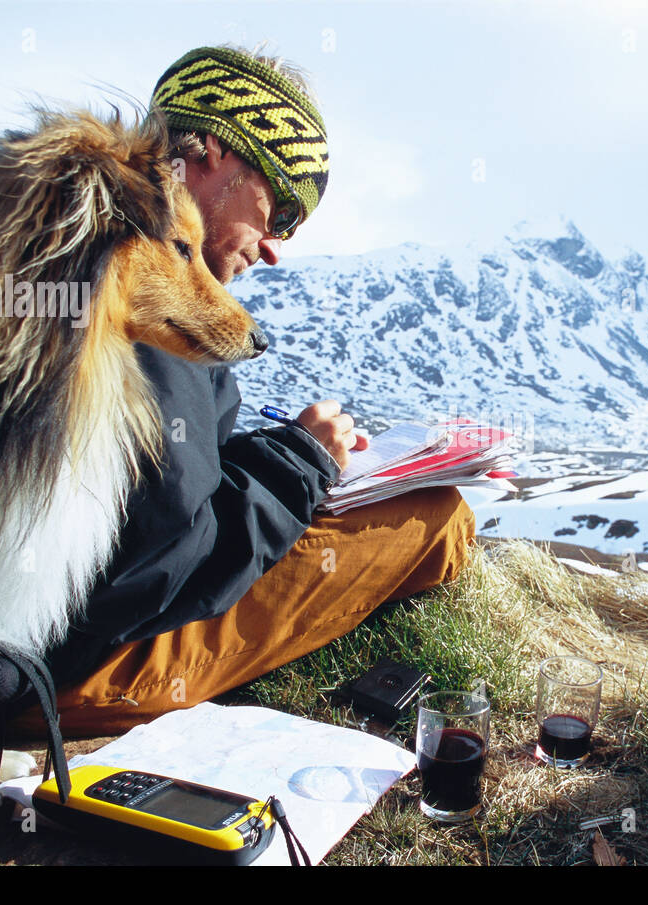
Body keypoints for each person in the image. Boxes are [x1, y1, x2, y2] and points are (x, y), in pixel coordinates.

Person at [24, 45, 475, 736]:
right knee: (440, 518)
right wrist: (298, 463)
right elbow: (160, 562)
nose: (275, 246)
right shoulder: (145, 279)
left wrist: (282, 451)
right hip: (71, 665)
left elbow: (150, 489)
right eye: (282, 210)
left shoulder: (48, 226)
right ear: (211, 154)